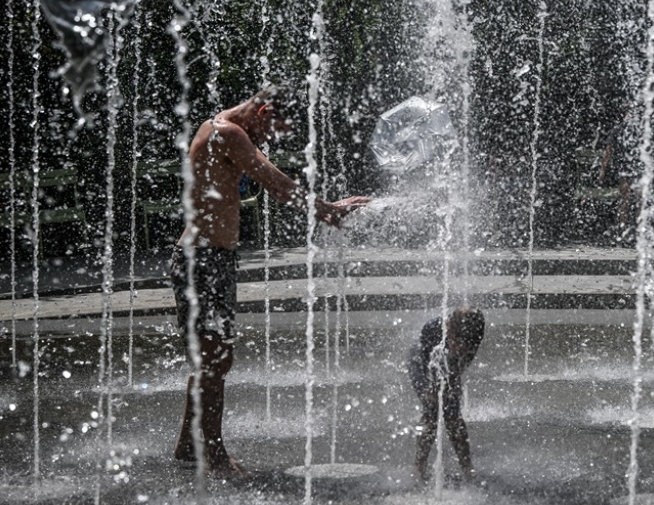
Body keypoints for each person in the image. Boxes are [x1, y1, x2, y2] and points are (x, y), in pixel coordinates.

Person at [169, 85, 370, 477]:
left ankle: (187, 447)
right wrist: (327, 211)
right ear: (262, 112)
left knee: (213, 358)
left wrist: (327, 207)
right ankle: (212, 453)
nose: (272, 139)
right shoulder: (227, 132)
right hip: (201, 259)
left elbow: (271, 179)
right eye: (275, 129)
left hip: (214, 259)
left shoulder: (230, 130)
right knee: (215, 359)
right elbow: (276, 184)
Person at [407, 306, 486, 484]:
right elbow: (422, 363)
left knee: (453, 415)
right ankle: (419, 465)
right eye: (457, 342)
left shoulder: (475, 332)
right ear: (449, 328)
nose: (461, 347)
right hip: (420, 362)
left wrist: (454, 381)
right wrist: (429, 389)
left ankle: (467, 467)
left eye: (466, 344)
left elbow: (463, 361)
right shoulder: (432, 328)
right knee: (431, 410)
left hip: (447, 363)